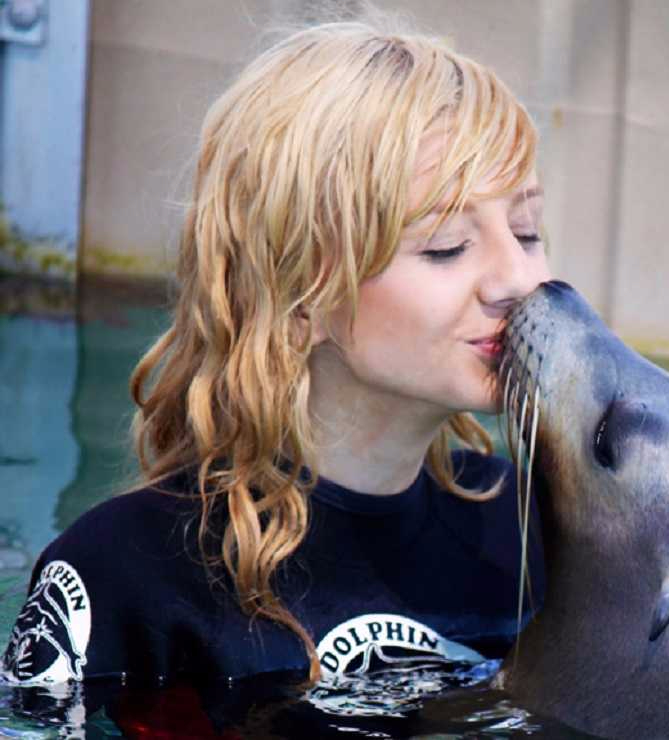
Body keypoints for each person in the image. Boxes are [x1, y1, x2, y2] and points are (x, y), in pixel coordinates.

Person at [1, 18, 550, 691]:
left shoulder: (527, 528)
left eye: (526, 232)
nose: (520, 282)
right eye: (445, 245)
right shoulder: (125, 574)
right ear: (300, 298)